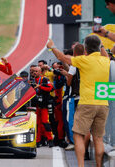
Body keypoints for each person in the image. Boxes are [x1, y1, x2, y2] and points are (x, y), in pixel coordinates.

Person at [47, 35, 110, 167]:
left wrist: (52, 47)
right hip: (103, 103)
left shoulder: (84, 60)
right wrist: (101, 44)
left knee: (78, 135)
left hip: (86, 102)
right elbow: (105, 54)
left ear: (86, 48)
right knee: (98, 138)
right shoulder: (106, 60)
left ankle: (80, 165)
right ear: (99, 47)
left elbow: (62, 58)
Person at [33, 66, 54, 148]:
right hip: (36, 106)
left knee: (45, 122)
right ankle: (38, 141)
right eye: (34, 71)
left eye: (36, 71)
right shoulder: (32, 81)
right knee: (37, 124)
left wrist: (40, 87)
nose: (34, 73)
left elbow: (50, 88)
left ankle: (50, 140)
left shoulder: (45, 79)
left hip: (44, 105)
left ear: (40, 72)